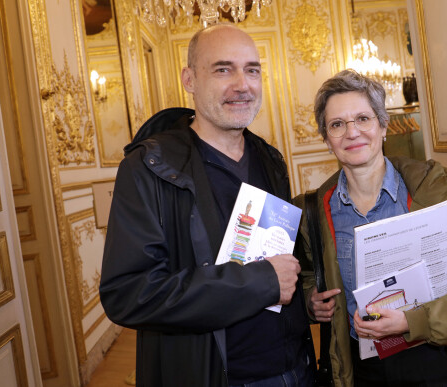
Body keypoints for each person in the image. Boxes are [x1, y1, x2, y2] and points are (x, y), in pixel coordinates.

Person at [100, 24, 314, 387]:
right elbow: (128, 293)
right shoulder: (148, 168)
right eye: (222, 69)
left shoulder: (270, 159)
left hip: (297, 369)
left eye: (252, 69)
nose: (242, 84)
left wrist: (307, 301)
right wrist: (260, 281)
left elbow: (279, 257)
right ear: (189, 79)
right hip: (218, 376)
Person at [294, 69, 447, 386]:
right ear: (326, 139)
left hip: (439, 358)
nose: (352, 132)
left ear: (384, 124)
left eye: (363, 118)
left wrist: (411, 321)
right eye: (337, 124)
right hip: (362, 370)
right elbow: (306, 277)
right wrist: (311, 301)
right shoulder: (312, 213)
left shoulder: (439, 190)